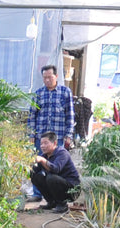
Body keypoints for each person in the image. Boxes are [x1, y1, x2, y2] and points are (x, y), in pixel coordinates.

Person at [27, 64, 75, 200]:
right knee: (37, 166)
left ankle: (54, 196)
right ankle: (37, 194)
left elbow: (70, 115)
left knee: (55, 168)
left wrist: (69, 135)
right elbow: (32, 116)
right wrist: (31, 135)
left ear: (56, 76)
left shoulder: (65, 92)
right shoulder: (38, 93)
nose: (47, 80)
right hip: (40, 137)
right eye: (45, 77)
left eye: (50, 77)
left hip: (57, 138)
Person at [30, 131, 80, 214]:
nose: (42, 146)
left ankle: (62, 204)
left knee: (51, 177)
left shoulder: (62, 153)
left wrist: (42, 160)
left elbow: (56, 169)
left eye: (45, 143)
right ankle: (51, 202)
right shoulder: (44, 155)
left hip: (72, 190)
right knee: (35, 176)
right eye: (41, 143)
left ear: (55, 143)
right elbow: (35, 171)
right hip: (57, 185)